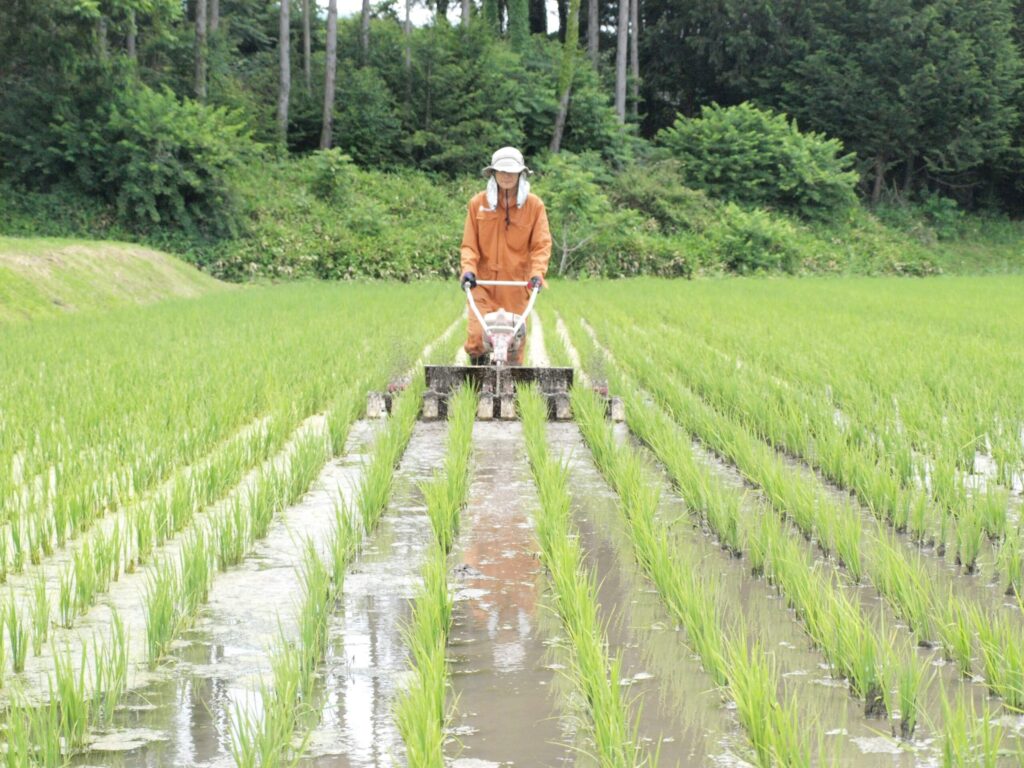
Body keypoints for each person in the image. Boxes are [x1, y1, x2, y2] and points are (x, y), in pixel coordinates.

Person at [460, 146, 552, 366]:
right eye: (502, 171)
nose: (507, 176)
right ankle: (479, 384)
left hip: (517, 285)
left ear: (521, 174)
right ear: (493, 173)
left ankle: (510, 392)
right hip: (483, 282)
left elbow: (541, 245)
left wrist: (537, 273)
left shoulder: (534, 206)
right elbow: (469, 245)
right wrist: (468, 270)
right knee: (477, 337)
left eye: (512, 172)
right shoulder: (478, 204)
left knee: (513, 343)